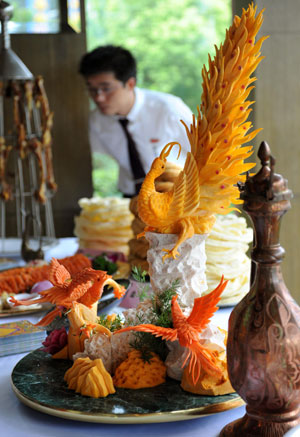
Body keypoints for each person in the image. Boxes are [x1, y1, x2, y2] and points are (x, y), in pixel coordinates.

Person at [79, 44, 193, 198]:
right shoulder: (97, 121)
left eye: (106, 88)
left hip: (174, 194)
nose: (98, 97)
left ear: (130, 84)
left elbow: (204, 153)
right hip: (131, 196)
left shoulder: (168, 109)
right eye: (92, 89)